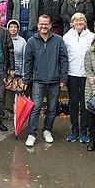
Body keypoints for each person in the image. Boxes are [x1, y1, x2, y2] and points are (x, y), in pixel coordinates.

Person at [23, 15, 69, 147]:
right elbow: (28, 62)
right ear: (37, 25)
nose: (43, 26)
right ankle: (32, 134)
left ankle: (47, 130)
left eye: (46, 24)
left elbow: (64, 60)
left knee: (52, 108)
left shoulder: (58, 40)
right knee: (36, 108)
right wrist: (26, 79)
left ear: (50, 26)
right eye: (41, 24)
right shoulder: (31, 41)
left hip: (55, 81)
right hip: (38, 80)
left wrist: (63, 77)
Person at [62, 13, 94, 143]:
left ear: (85, 22)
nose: (79, 22)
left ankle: (84, 131)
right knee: (73, 103)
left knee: (85, 103)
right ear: (72, 23)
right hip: (72, 74)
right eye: (76, 20)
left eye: (81, 20)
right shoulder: (67, 37)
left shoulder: (92, 36)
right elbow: (64, 57)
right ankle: (74, 130)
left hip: (86, 75)